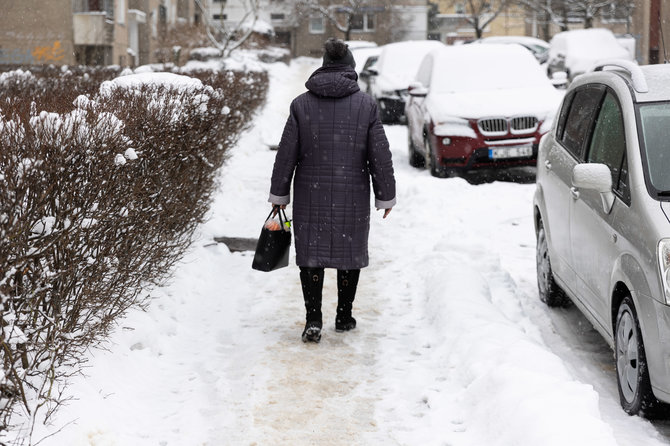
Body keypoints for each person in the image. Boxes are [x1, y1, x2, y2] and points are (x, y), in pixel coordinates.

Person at [268, 37, 396, 343]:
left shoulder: (301, 105)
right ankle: (343, 314)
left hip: (310, 191)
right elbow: (380, 152)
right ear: (351, 68)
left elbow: (286, 154)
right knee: (348, 252)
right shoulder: (365, 105)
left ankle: (313, 318)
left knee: (311, 253)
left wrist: (279, 195)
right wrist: (385, 194)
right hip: (352, 193)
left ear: (323, 68)